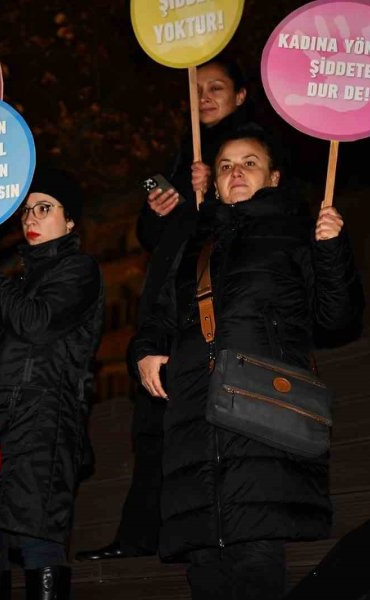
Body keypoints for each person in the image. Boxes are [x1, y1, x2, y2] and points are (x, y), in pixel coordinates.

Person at [128, 124, 364, 599]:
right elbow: (162, 310)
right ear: (212, 181)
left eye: (249, 163)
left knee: (255, 554)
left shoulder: (297, 231)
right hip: (194, 411)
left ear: (273, 177)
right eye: (226, 166)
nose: (236, 172)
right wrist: (146, 348)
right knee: (204, 564)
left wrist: (332, 249)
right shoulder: (195, 238)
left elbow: (337, 318)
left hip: (261, 412)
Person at [77, 54, 255, 563]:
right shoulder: (186, 152)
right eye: (197, 89)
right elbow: (158, 237)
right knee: (151, 424)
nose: (204, 96)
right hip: (167, 303)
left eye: (216, 87)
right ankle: (140, 534)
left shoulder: (250, 149)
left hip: (213, 305)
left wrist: (213, 192)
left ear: (240, 96)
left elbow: (245, 224)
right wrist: (161, 209)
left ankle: (203, 533)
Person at [0, 167, 105, 599]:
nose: (31, 219)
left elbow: (36, 323)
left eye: (44, 208)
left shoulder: (78, 269)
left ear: (71, 221)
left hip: (44, 423)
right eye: (25, 211)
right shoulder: (21, 278)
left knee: (36, 533)